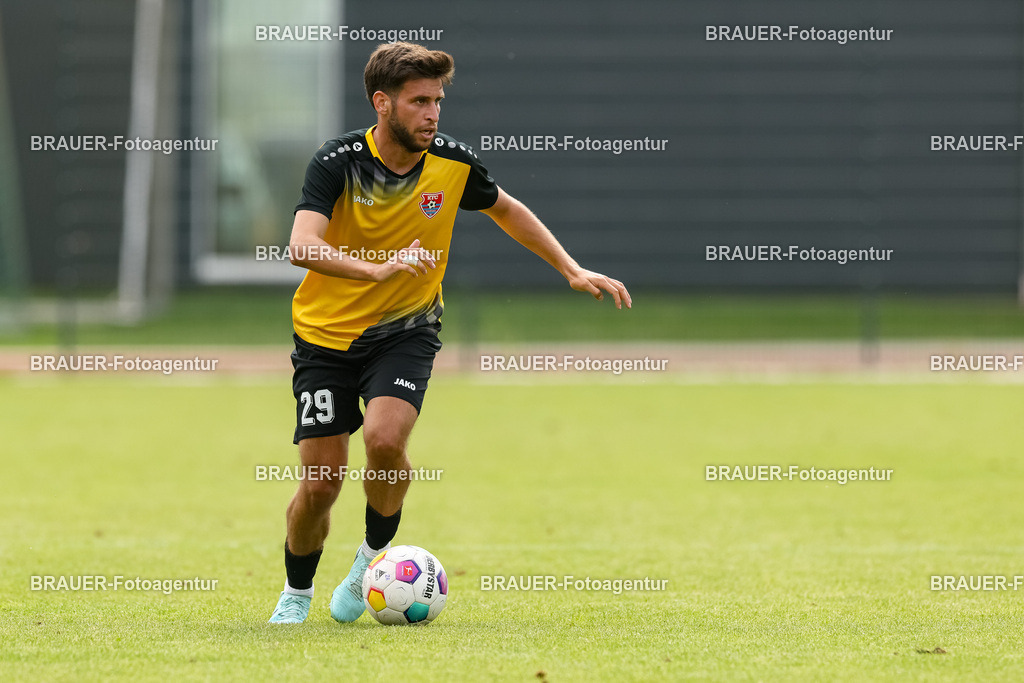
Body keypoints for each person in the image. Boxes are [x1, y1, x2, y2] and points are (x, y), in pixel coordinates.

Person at [269, 41, 631, 624]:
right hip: (324, 338)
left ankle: (370, 562)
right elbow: (301, 246)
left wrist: (571, 268)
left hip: (405, 330)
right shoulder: (336, 162)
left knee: (386, 442)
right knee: (321, 484)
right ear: (382, 103)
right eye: (419, 101)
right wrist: (372, 267)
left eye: (438, 100)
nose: (433, 113)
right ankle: (296, 593)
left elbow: (508, 209)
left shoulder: (453, 163)